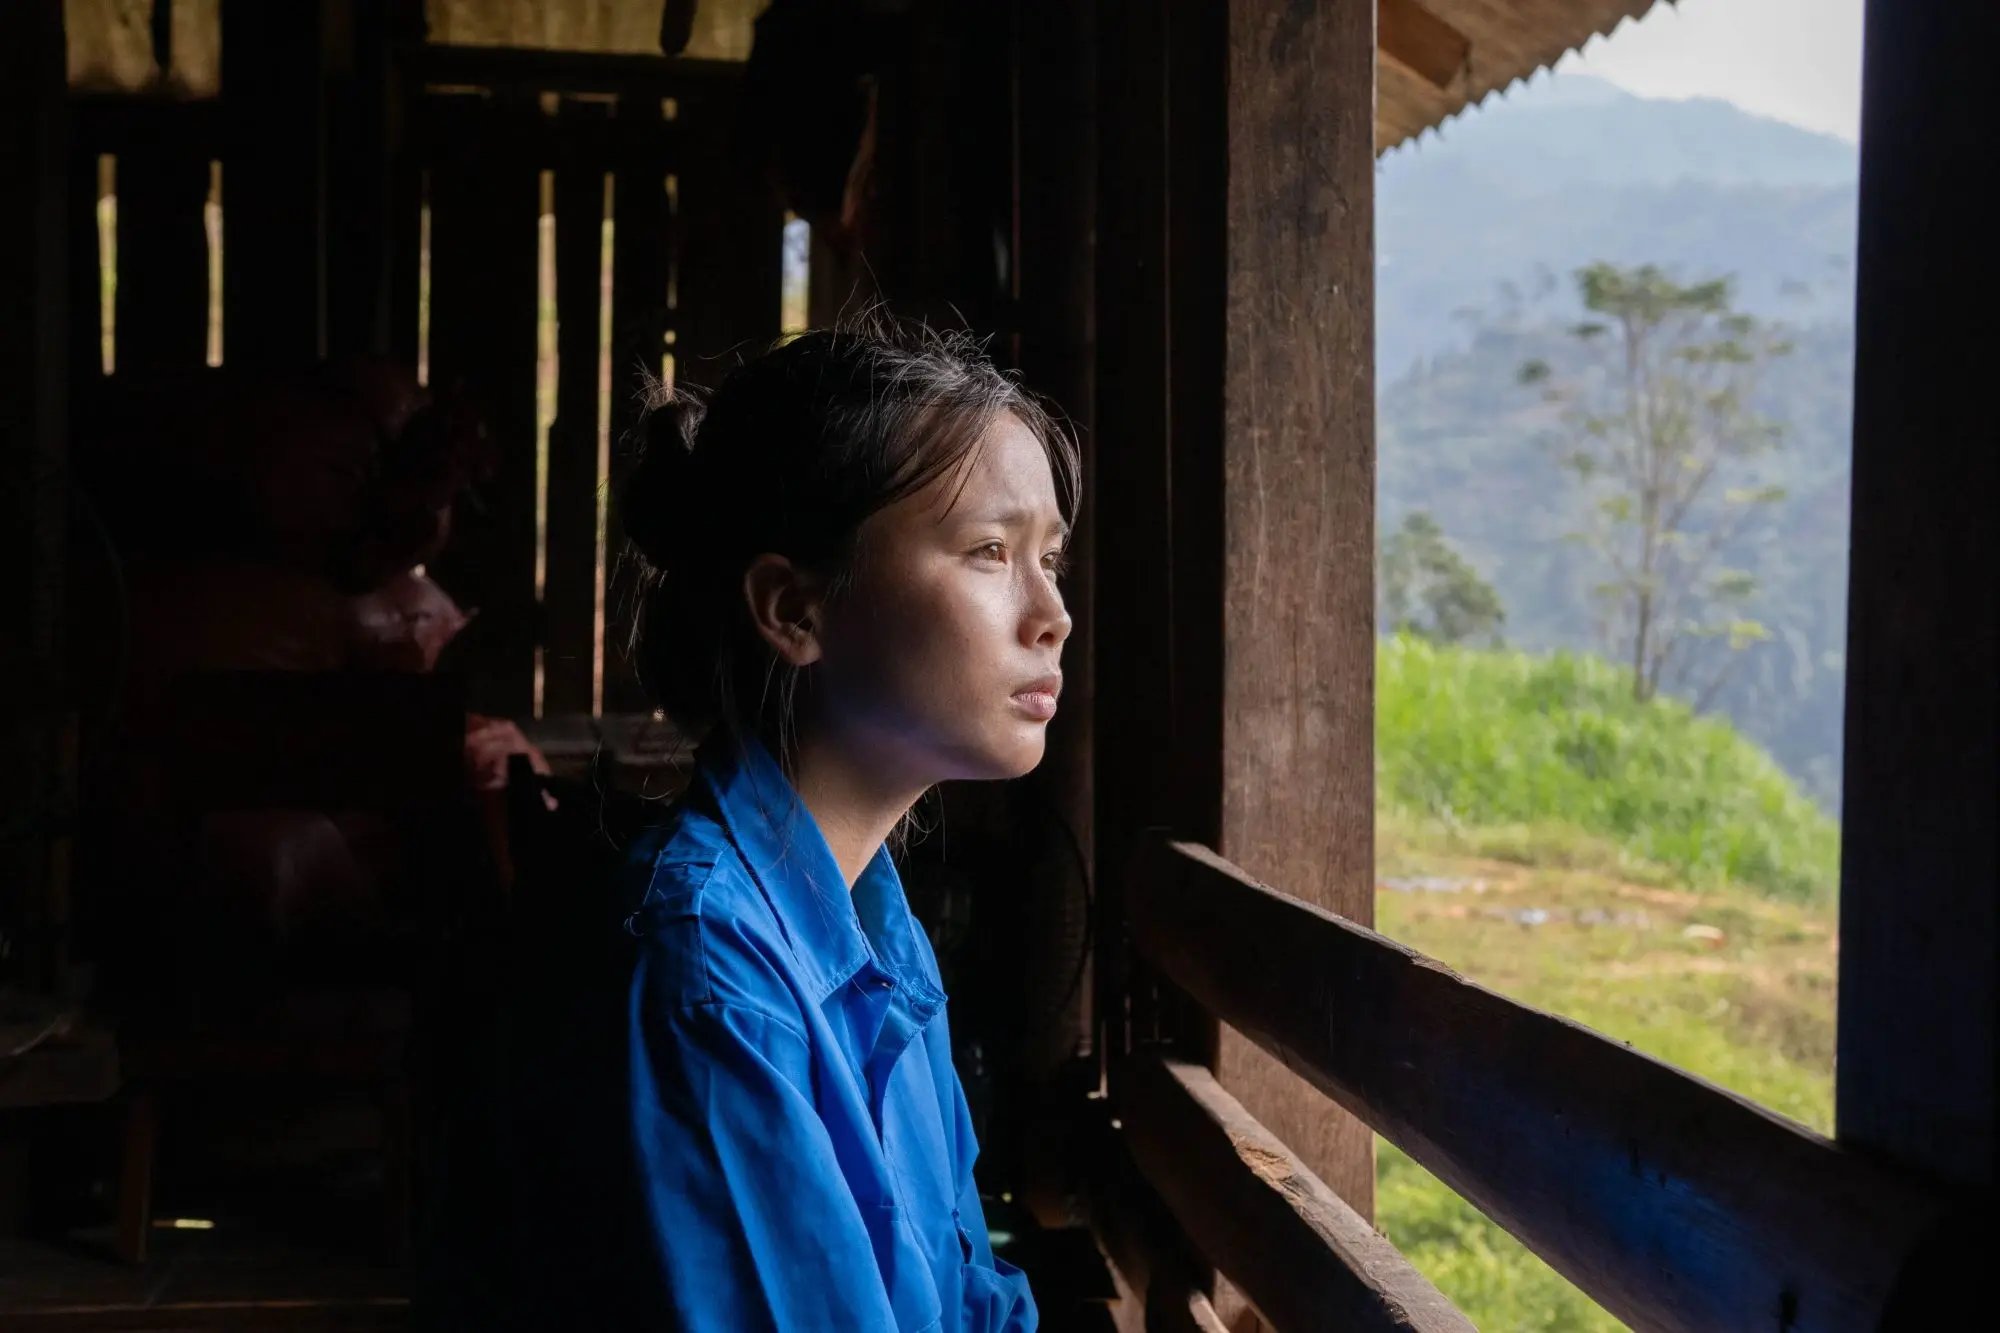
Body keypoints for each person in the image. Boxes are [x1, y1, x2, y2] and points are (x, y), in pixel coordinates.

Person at [497, 319, 1077, 1331]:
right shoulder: (709, 970)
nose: (1050, 614)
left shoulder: (875, 938)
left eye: (1050, 558)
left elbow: (968, 1299)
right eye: (989, 551)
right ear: (793, 609)